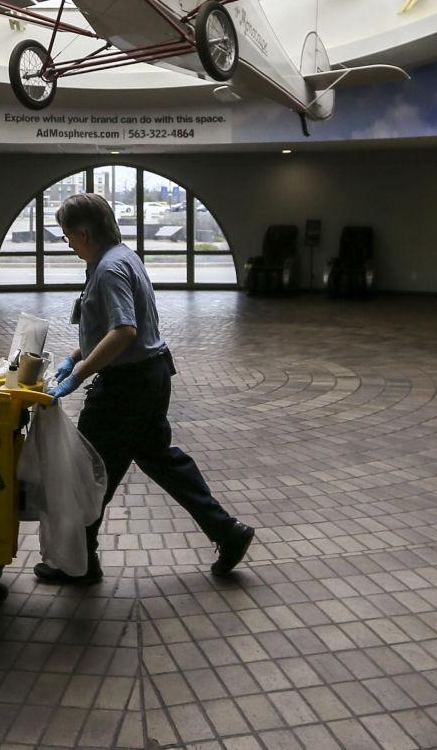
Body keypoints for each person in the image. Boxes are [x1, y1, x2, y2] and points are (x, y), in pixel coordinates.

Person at [36, 192, 254, 585]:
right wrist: (74, 355)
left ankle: (79, 564)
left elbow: (124, 331)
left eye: (68, 236)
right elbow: (110, 327)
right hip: (148, 377)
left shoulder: (108, 270)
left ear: (84, 232)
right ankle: (227, 532)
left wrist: (79, 374)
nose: (68, 244)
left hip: (126, 387)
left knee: (89, 471)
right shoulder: (121, 257)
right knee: (160, 459)